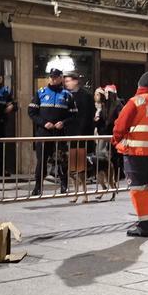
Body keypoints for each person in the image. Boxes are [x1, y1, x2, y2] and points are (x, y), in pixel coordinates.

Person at [113, 71, 148, 237]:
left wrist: (116, 141)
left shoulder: (134, 102)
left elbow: (120, 126)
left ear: (139, 85)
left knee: (139, 188)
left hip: (136, 152)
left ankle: (145, 224)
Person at [27, 68, 76, 196]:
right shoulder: (40, 93)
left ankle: (64, 185)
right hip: (43, 133)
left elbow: (74, 115)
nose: (53, 79)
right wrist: (43, 123)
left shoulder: (67, 95)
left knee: (62, 161)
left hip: (60, 134)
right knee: (41, 161)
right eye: (51, 77)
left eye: (56, 77)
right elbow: (31, 112)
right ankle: (38, 187)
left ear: (61, 78)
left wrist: (63, 123)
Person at [64, 72, 95, 203]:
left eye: (68, 81)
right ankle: (75, 192)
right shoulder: (66, 95)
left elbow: (87, 116)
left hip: (81, 135)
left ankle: (84, 194)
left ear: (75, 81)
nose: (66, 83)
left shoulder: (86, 95)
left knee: (80, 167)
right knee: (72, 166)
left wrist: (81, 133)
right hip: (70, 134)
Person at [93, 85, 122, 199]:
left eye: (107, 93)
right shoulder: (104, 106)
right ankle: (104, 187)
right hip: (103, 137)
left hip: (112, 138)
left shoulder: (118, 105)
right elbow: (102, 121)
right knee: (100, 162)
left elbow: (119, 120)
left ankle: (112, 187)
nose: (105, 95)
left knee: (109, 164)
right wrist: (97, 121)